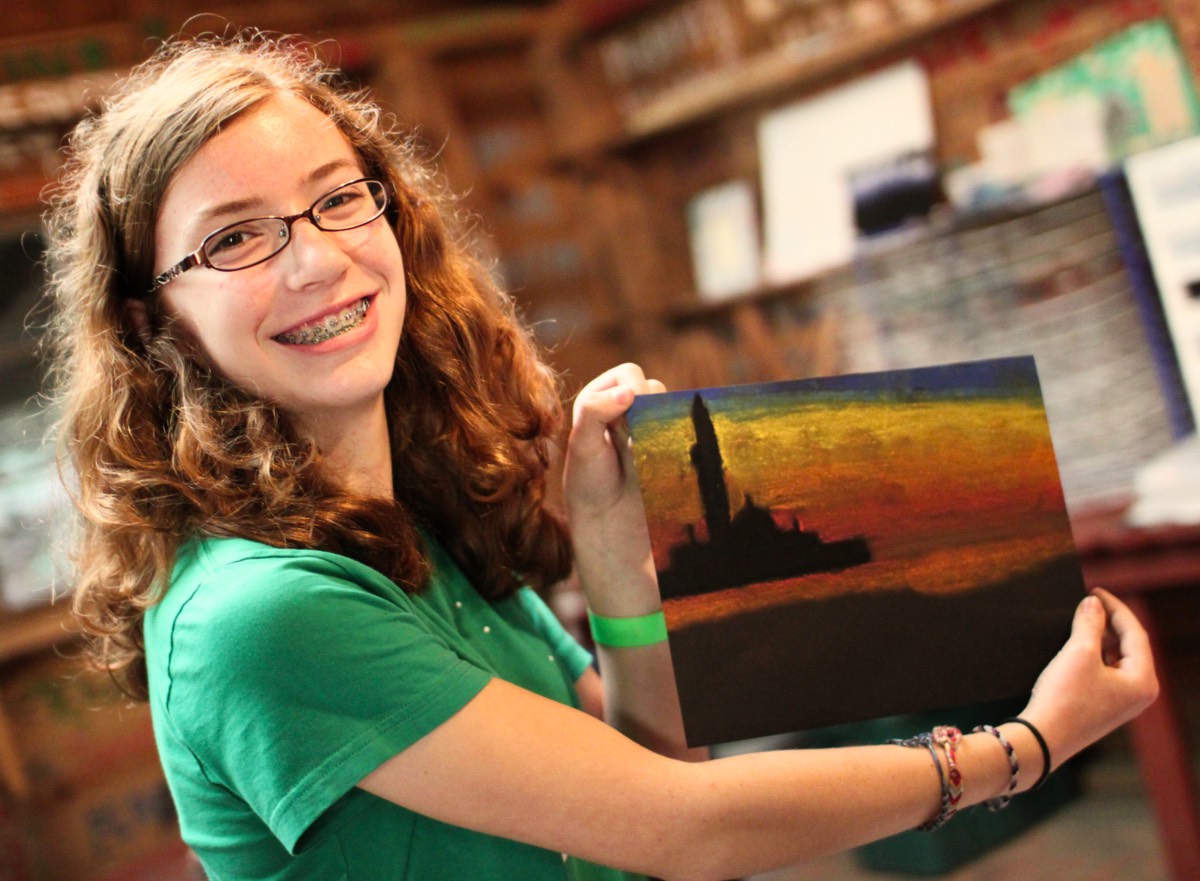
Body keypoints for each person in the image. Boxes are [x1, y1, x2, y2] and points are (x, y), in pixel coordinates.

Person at [42, 32, 1157, 881]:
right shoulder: (263, 611)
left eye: (338, 198)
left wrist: (619, 562)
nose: (315, 262)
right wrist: (1024, 746)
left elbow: (658, 775)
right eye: (235, 236)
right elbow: (687, 829)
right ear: (148, 319)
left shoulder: (406, 526)